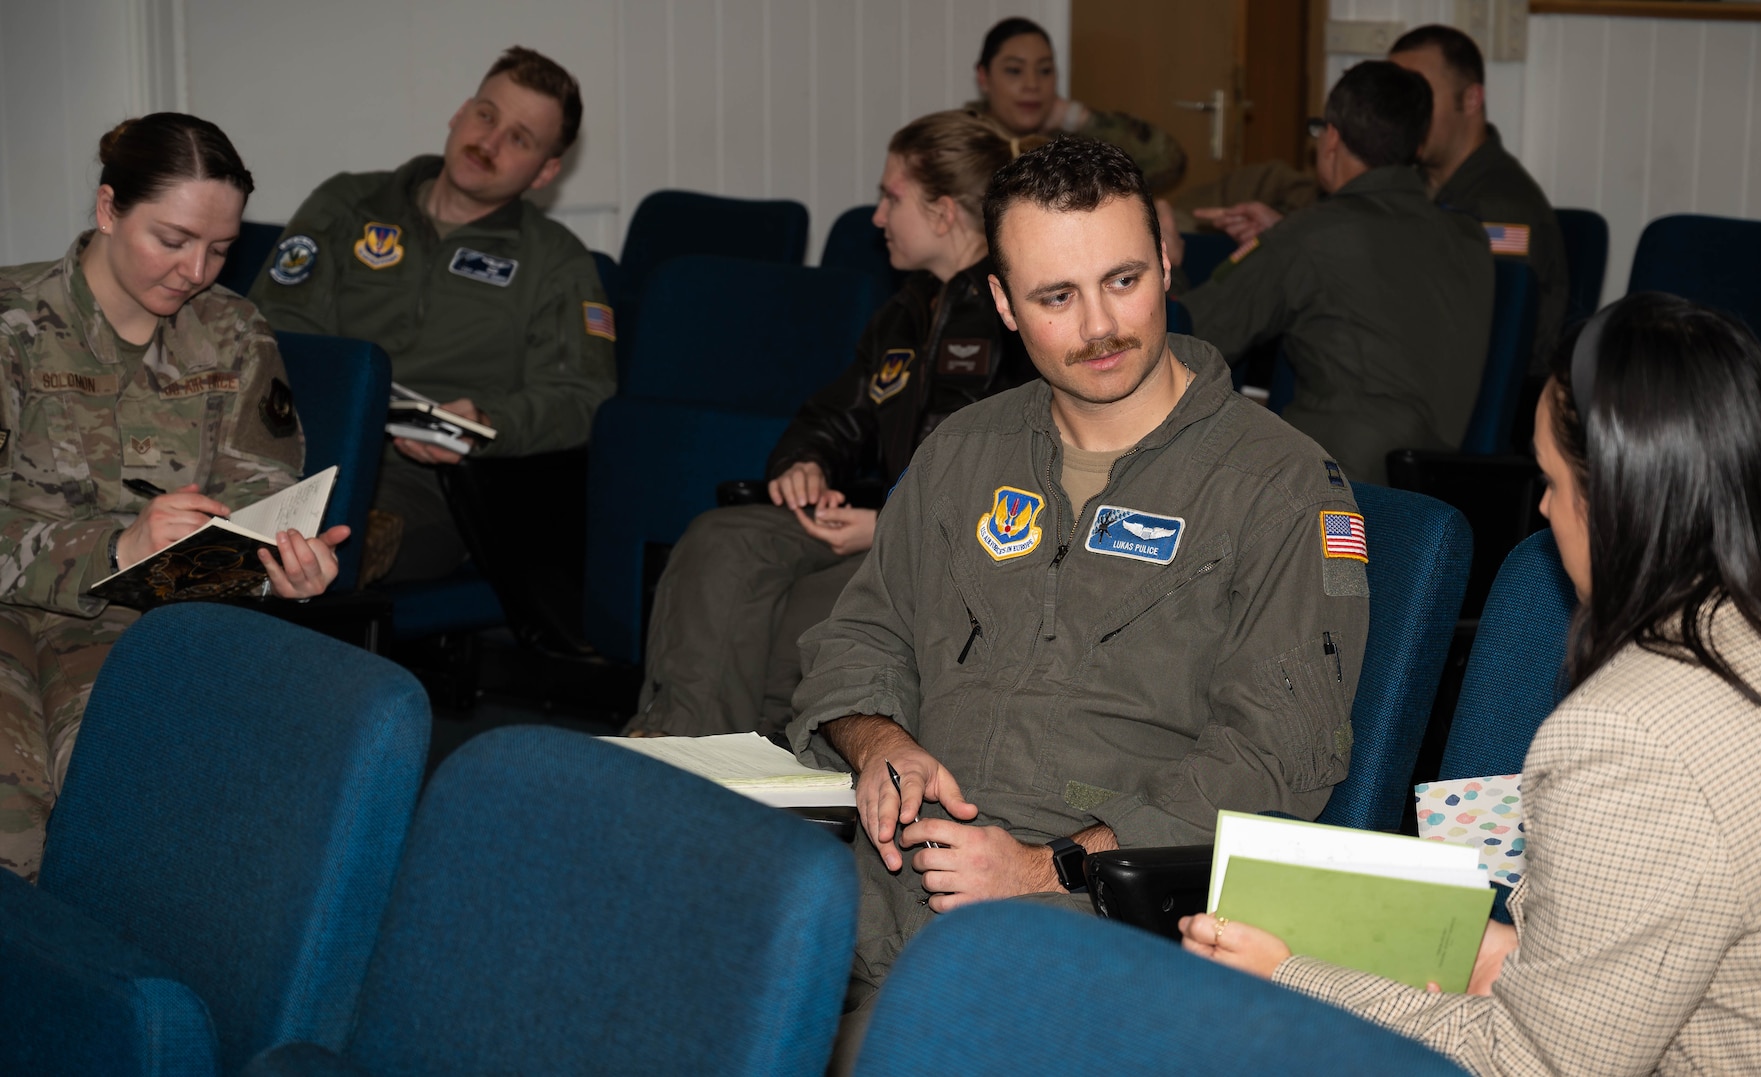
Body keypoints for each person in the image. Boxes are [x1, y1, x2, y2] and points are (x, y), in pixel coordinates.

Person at [1181, 293, 1761, 1075]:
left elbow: (1530, 1065)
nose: (1541, 506)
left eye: (1552, 480)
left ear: (1616, 502)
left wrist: (1287, 975)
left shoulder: (1631, 729)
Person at [790, 136, 1369, 1063]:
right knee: (671, 953)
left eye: (1125, 280)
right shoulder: (964, 452)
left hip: (1106, 895)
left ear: (1168, 264)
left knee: (888, 1041)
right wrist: (878, 740)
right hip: (897, 861)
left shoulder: (1281, 484)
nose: (1101, 325)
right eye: (1057, 297)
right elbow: (864, 631)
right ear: (1004, 305)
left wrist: (1049, 864)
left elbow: (1274, 757)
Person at [0, 114, 347, 881]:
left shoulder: (231, 332)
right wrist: (116, 546)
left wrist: (280, 561)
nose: (196, 270)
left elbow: (262, 491)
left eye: (220, 248)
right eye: (173, 238)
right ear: (107, 209)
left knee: (140, 807)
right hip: (10, 605)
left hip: (140, 616)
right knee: (11, 825)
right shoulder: (12, 323)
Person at [627, 110, 1042, 738]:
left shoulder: (1022, 315)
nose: (876, 217)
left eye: (890, 197)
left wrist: (891, 529)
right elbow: (835, 414)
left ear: (943, 211)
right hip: (877, 520)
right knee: (721, 540)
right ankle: (682, 748)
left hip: (961, 548)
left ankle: (744, 769)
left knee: (801, 615)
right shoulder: (904, 314)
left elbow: (1031, 478)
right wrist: (807, 463)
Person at [251, 46, 615, 585]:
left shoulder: (556, 262)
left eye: (519, 138)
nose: (488, 142)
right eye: (486, 115)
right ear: (460, 111)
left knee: (329, 553)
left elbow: (584, 399)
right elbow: (270, 331)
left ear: (547, 170)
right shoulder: (350, 203)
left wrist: (487, 423)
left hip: (429, 482)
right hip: (297, 450)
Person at [1176, 61, 1493, 485]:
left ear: (1333, 139)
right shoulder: (1470, 237)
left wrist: (1169, 266)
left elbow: (1190, 337)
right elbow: (1381, 269)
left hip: (1328, 486)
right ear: (1417, 147)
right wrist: (1288, 236)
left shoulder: (1310, 238)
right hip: (1441, 487)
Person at [1389, 24, 1567, 367]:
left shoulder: (1503, 209)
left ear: (1471, 99)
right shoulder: (1407, 185)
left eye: (1418, 96)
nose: (1402, 114)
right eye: (1394, 98)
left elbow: (1484, 341)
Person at [969, 17, 1188, 194]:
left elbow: (1169, 163)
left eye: (1045, 70)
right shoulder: (960, 140)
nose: (1032, 85)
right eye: (1014, 71)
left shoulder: (1067, 145)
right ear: (983, 77)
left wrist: (1078, 118)